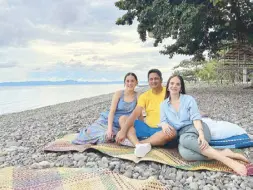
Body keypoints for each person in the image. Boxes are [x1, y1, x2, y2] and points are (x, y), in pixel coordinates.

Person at [159, 75, 249, 176]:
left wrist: (201, 134)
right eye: (172, 83)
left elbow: (196, 119)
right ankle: (225, 153)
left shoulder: (188, 99)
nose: (174, 86)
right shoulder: (163, 105)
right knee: (186, 154)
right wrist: (164, 124)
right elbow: (163, 120)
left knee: (184, 140)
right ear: (167, 86)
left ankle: (229, 162)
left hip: (198, 128)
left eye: (177, 84)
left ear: (181, 88)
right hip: (183, 134)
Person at [116, 69, 177, 158]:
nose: (153, 81)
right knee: (123, 118)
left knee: (171, 132)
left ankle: (138, 143)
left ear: (161, 79)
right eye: (151, 79)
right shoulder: (144, 96)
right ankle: (139, 144)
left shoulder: (169, 93)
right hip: (147, 128)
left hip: (162, 129)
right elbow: (135, 114)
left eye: (156, 78)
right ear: (148, 81)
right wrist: (123, 131)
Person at [73, 72, 140, 145]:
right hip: (110, 120)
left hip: (124, 122)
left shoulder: (138, 95)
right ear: (124, 83)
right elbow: (112, 111)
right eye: (127, 81)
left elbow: (138, 113)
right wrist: (109, 129)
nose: (130, 83)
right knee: (101, 134)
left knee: (112, 137)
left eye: (132, 81)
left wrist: (144, 126)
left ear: (136, 82)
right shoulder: (119, 93)